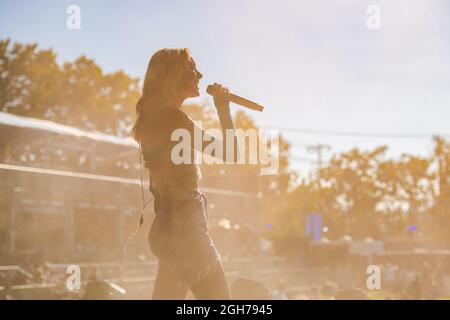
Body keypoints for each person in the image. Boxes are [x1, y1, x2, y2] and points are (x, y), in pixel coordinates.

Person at [133, 48, 239, 299]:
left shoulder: (151, 119)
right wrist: (223, 108)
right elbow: (231, 152)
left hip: (168, 230)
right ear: (174, 75)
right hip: (186, 232)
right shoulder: (174, 120)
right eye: (193, 68)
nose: (200, 74)